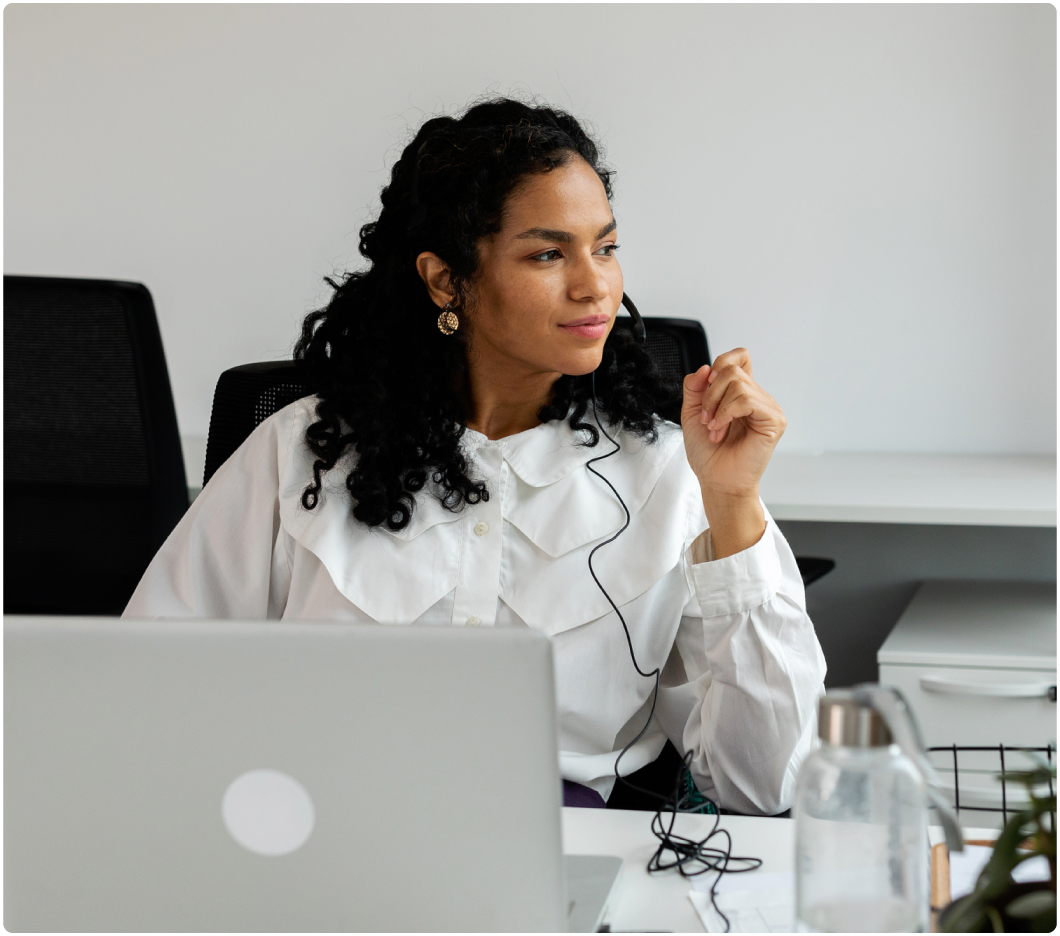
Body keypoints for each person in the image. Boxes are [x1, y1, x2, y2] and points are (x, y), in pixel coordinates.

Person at [126, 98, 826, 814]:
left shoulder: (670, 476)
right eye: (549, 253)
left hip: (561, 856)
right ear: (445, 279)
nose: (595, 285)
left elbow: (766, 785)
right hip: (319, 840)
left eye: (606, 248)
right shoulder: (300, 452)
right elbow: (143, 690)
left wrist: (734, 508)